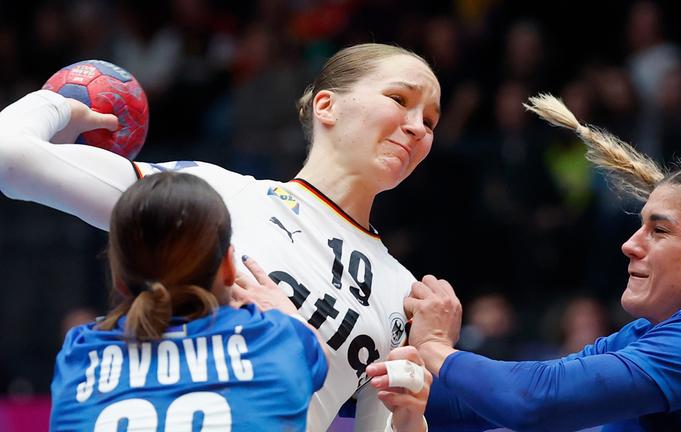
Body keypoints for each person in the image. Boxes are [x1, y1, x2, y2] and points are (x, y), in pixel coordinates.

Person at [0, 42, 440, 432]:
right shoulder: (213, 193)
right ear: (326, 106)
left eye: (431, 121)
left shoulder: (406, 294)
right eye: (399, 99)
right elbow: (10, 160)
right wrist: (60, 101)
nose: (419, 127)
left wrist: (410, 418)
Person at [401, 94, 681, 431]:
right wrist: (369, 381)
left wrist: (435, 345)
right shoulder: (645, 334)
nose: (629, 245)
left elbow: (532, 402)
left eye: (659, 231)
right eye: (639, 227)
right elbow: (474, 406)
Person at [49, 171, 328, 431]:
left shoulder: (80, 353)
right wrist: (286, 313)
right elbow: (317, 355)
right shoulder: (281, 338)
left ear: (119, 280)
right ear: (230, 268)